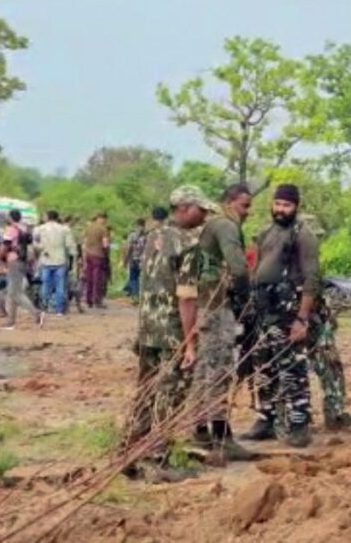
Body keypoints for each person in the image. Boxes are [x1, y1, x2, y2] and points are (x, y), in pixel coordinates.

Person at [122, 186, 213, 478]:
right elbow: (186, 296)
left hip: (148, 327)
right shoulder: (188, 244)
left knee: (146, 391)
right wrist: (190, 341)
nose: (205, 215)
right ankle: (155, 457)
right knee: (170, 392)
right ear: (184, 208)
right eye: (201, 209)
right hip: (172, 329)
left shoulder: (152, 238)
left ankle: (131, 448)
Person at [241, 184, 317, 448]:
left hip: (289, 311)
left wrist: (302, 318)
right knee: (263, 367)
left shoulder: (303, 235)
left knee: (292, 368)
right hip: (264, 310)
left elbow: (311, 278)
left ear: (296, 207)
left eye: (287, 205)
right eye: (277, 204)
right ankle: (266, 419)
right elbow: (256, 268)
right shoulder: (265, 233)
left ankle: (299, 424)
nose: (281, 209)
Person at [188, 183, 254, 463]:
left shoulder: (210, 226)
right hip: (217, 305)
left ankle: (201, 429)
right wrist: (246, 294)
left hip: (204, 303)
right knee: (220, 369)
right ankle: (222, 436)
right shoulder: (226, 226)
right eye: (244, 205)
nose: (248, 212)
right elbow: (238, 267)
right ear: (229, 203)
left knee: (205, 368)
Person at [0, 211, 43, 330]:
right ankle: (11, 321)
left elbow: (5, 245)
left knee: (15, 292)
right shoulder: (24, 228)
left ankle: (36, 313)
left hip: (14, 260)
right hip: (23, 261)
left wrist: (1, 258)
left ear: (10, 217)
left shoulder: (11, 230)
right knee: (12, 291)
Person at [35, 211, 77, 316]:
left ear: (47, 217)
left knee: (45, 285)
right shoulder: (65, 229)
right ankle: (59, 310)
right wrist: (73, 259)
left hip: (46, 260)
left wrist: (42, 248)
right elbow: (70, 246)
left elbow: (35, 244)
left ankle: (44, 307)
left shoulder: (39, 229)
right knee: (60, 286)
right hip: (60, 260)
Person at [83, 213, 110, 308]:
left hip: (88, 255)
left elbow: (84, 242)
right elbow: (105, 244)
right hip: (98, 255)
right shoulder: (103, 229)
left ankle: (88, 299)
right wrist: (107, 255)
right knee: (97, 279)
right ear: (102, 218)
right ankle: (97, 300)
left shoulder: (89, 227)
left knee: (89, 278)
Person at [121, 218, 147, 302]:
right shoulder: (148, 234)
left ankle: (135, 296)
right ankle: (141, 296)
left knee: (133, 278)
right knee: (142, 278)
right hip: (144, 260)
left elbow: (128, 248)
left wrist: (126, 260)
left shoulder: (132, 235)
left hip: (134, 259)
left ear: (136, 225)